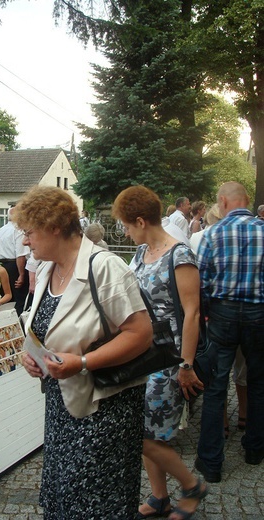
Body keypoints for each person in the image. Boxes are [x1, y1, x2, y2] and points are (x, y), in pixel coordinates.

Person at [13, 185, 153, 519]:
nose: (24, 241)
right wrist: (33, 357)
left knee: (96, 502)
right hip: (63, 406)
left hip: (105, 410)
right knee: (65, 495)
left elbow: (142, 333)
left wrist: (84, 362)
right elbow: (47, 328)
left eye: (28, 232)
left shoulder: (105, 268)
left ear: (54, 227)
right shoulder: (48, 269)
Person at [112, 185, 207, 520]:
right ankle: (159, 498)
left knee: (145, 434)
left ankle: (192, 485)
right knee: (144, 428)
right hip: (143, 353)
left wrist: (187, 365)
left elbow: (192, 312)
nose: (124, 231)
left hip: (169, 357)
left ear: (141, 220)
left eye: (126, 224)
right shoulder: (140, 254)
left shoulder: (179, 254)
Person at [195, 182, 264, 482]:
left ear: (223, 202)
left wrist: (208, 314)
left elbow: (202, 281)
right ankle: (254, 450)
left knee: (215, 386)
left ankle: (211, 464)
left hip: (222, 314)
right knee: (259, 383)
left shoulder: (212, 233)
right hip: (259, 315)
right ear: (246, 201)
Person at [0, 207, 30, 316]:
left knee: (6, 297)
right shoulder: (18, 230)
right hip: (14, 266)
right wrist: (21, 274)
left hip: (2, 265)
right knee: (19, 299)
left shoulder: (1, 229)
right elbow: (20, 255)